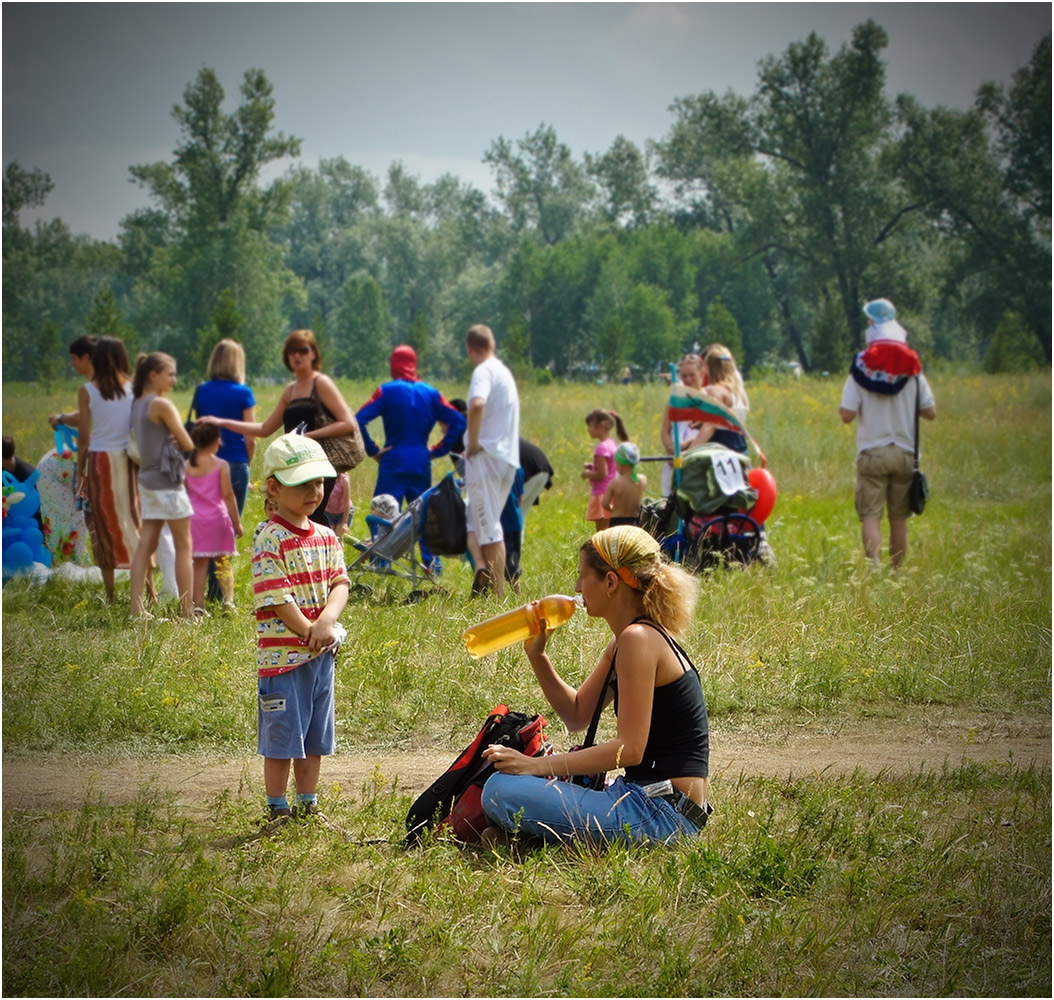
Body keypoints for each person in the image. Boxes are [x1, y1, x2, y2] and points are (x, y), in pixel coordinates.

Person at [479, 525, 711, 846]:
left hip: (660, 814)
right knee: (504, 786)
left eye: (582, 575)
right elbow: (577, 715)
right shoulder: (626, 641)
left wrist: (535, 765)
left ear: (611, 582)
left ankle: (533, 841)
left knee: (499, 790)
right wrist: (538, 655)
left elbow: (629, 749)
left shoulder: (637, 640)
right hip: (651, 803)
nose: (576, 586)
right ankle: (531, 842)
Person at [253, 432, 350, 835]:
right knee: (281, 739)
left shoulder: (327, 536)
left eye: (319, 482)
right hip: (283, 662)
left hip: (319, 657)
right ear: (274, 487)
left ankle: (308, 805)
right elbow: (276, 595)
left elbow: (340, 582)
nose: (314, 490)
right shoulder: (270, 537)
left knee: (314, 737)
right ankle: (277, 809)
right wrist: (308, 628)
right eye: (302, 482)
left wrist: (326, 622)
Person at [202, 330, 358, 524]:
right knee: (290, 516)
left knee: (312, 517)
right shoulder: (290, 390)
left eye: (302, 350)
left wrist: (309, 436)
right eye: (291, 352)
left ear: (313, 354)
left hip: (316, 463)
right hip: (292, 464)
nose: (296, 356)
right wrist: (222, 422)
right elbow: (265, 429)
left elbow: (347, 423)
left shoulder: (321, 383)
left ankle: (325, 552)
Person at [839, 298, 936, 570]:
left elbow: (847, 415)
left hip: (872, 451)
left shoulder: (861, 367)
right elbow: (930, 412)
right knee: (898, 519)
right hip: (905, 451)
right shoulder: (913, 370)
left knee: (870, 515)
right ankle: (896, 574)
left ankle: (874, 568)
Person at [355, 345, 465, 572]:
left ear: (393, 365)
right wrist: (437, 450)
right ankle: (432, 564)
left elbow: (359, 419)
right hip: (420, 461)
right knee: (424, 514)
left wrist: (373, 449)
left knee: (384, 511)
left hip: (393, 460)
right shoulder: (432, 393)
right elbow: (457, 421)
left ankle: (380, 561)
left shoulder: (386, 391)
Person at [74, 336, 142, 605]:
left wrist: (81, 469)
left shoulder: (87, 390)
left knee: (102, 526)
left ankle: (111, 595)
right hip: (128, 460)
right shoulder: (134, 388)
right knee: (135, 521)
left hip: (99, 460)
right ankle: (147, 592)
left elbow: (83, 437)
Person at [128, 352, 195, 620]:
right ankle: (188, 611)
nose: (174, 379)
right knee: (184, 545)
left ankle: (137, 608)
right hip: (168, 483)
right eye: (170, 374)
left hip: (147, 480)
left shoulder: (137, 404)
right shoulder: (161, 405)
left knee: (146, 543)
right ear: (153, 375)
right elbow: (188, 443)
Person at [463, 324, 520, 599]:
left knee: (489, 526)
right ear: (492, 343)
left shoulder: (483, 371)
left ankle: (497, 594)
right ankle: (481, 569)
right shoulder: (504, 373)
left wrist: (472, 444)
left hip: (486, 456)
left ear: (470, 349)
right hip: (505, 457)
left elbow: (476, 404)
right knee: (473, 520)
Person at [185, 422, 243, 614]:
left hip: (195, 521)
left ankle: (199, 605)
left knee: (199, 564)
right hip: (218, 519)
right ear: (217, 442)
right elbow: (228, 495)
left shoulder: (186, 465)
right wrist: (237, 522)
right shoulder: (221, 465)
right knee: (223, 562)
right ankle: (228, 602)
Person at [684, 344, 751, 454]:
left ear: (709, 367)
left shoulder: (715, 391)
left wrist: (690, 452)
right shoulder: (740, 393)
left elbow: (710, 426)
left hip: (720, 448)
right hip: (740, 446)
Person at [660, 354, 705, 495]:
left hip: (698, 459)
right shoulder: (674, 400)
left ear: (700, 373)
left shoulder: (708, 400)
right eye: (684, 376)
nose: (688, 380)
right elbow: (665, 430)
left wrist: (688, 452)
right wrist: (670, 449)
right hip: (673, 460)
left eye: (692, 375)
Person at [581, 409, 630, 532]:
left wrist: (586, 473)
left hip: (602, 494)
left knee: (602, 535)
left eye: (590, 426)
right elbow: (611, 468)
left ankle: (602, 552)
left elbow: (602, 475)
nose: (588, 429)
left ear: (601, 425)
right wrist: (593, 467)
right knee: (612, 531)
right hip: (613, 492)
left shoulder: (601, 448)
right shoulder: (612, 444)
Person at [47, 335, 98, 429]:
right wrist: (61, 416)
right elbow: (86, 413)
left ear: (86, 357)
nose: (72, 364)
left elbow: (82, 419)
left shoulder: (94, 387)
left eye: (74, 358)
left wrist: (60, 418)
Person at [603, 442, 648, 527]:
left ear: (621, 464)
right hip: (634, 523)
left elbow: (605, 503)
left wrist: (612, 509)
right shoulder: (642, 480)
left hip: (617, 522)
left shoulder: (615, 483)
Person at [324, 471, 352, 540]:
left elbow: (346, 502)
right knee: (330, 537)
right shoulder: (325, 478)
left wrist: (344, 522)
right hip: (329, 512)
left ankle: (341, 549)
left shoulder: (344, 480)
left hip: (343, 512)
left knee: (338, 538)